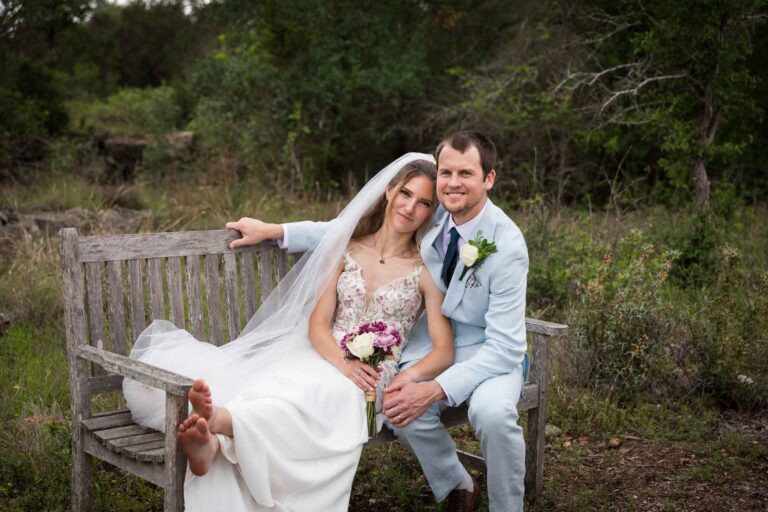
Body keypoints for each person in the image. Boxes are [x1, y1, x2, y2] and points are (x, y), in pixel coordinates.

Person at [123, 154, 454, 512]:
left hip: (373, 380)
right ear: (389, 191)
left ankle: (221, 433)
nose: (411, 208)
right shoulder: (348, 248)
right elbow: (317, 322)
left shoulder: (424, 270)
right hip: (327, 354)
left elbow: (443, 350)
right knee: (280, 389)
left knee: (320, 398)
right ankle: (217, 439)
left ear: (431, 212)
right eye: (406, 194)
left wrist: (406, 378)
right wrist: (342, 362)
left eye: (424, 203)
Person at [241, 131, 529, 512]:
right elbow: (344, 232)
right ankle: (457, 483)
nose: (454, 183)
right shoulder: (440, 207)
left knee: (491, 415)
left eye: (466, 174)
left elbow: (505, 347)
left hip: (490, 354)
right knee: (397, 405)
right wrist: (278, 231)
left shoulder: (506, 246)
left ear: (488, 179)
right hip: (432, 345)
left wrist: (435, 388)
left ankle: (507, 507)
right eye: (447, 173)